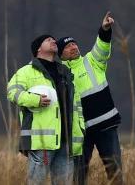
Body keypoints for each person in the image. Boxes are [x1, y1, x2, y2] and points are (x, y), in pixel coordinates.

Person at [5, 34, 85, 184]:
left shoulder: (65, 72)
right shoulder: (26, 71)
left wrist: (80, 128)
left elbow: (75, 104)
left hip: (67, 141)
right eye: (48, 40)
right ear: (38, 49)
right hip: (42, 141)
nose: (54, 41)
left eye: (53, 39)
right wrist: (34, 100)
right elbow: (12, 92)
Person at [59, 11, 123, 185]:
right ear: (61, 54)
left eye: (74, 43)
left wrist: (104, 29)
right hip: (80, 132)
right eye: (67, 46)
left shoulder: (92, 61)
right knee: (79, 175)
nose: (73, 47)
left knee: (115, 172)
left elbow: (102, 47)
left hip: (106, 126)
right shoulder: (59, 73)